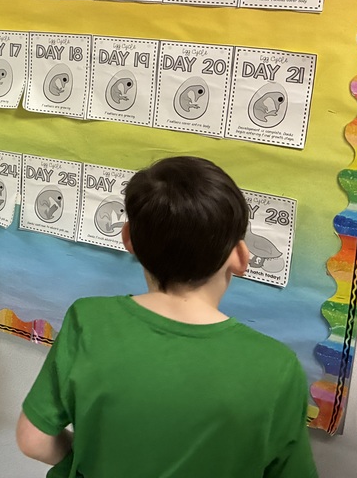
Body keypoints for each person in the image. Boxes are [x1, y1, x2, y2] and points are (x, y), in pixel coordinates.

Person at [16, 156, 318, 478]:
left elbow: (33, 440)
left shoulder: (87, 321)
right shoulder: (278, 368)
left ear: (128, 238)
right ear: (241, 256)